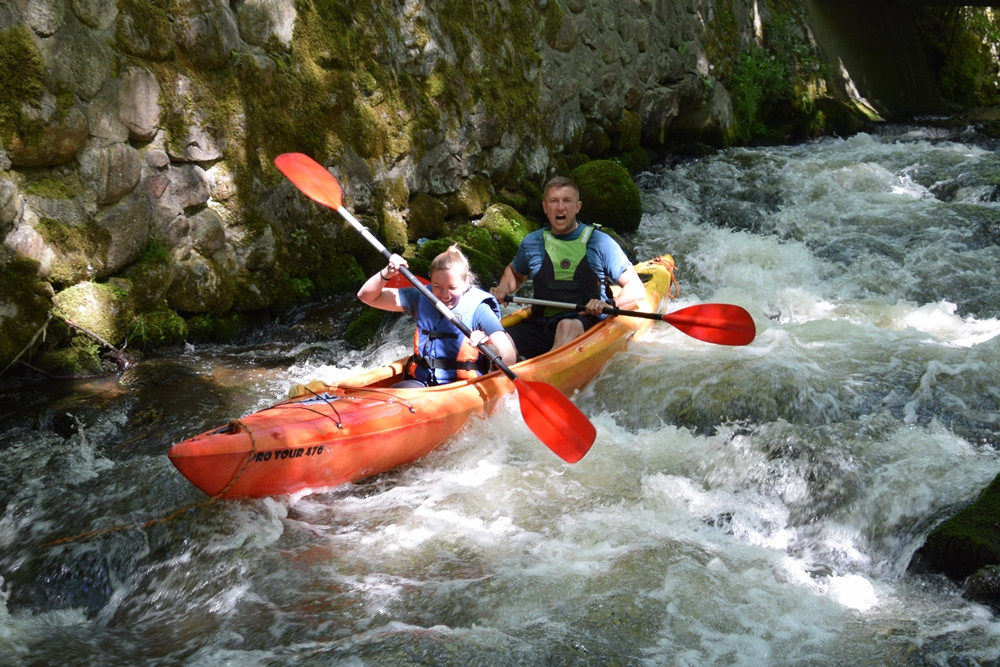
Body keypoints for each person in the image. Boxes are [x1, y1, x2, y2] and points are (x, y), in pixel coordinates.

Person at [490, 175, 646, 359]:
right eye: (554, 201)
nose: (560, 207)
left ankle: (547, 375)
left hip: (586, 323)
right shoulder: (532, 242)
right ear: (545, 207)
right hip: (542, 324)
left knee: (566, 325)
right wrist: (502, 288)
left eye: (567, 201)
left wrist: (609, 304)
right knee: (496, 341)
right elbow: (515, 273)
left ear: (577, 207)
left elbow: (636, 289)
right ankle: (498, 381)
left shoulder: (600, 241)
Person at [357, 244, 517, 387]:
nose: (445, 295)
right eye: (437, 286)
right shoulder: (420, 296)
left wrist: (488, 344)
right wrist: (387, 272)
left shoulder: (479, 308)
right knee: (395, 397)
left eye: (452, 287)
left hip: (464, 388)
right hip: (423, 385)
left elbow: (509, 356)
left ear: (466, 282)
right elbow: (366, 296)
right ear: (430, 281)